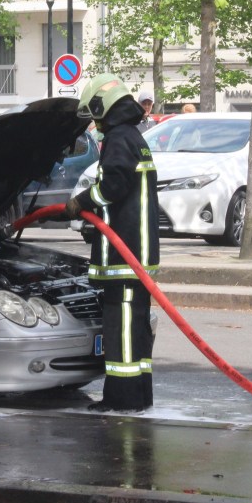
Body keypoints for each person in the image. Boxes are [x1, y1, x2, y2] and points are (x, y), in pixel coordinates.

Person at [62, 74, 160, 412]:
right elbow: (125, 199)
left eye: (95, 114)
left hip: (125, 256)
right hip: (134, 253)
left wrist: (82, 202)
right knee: (135, 331)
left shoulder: (119, 139)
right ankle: (139, 396)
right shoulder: (133, 136)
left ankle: (122, 401)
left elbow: (113, 187)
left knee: (122, 332)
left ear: (104, 107)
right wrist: (98, 224)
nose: (95, 123)